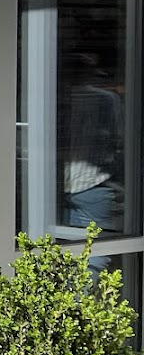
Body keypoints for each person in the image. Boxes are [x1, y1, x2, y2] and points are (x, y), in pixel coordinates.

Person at [61, 52, 124, 237]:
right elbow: (117, 138)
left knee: (64, 245)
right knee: (96, 246)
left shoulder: (58, 99)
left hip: (60, 186)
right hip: (93, 183)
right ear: (89, 74)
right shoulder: (106, 99)